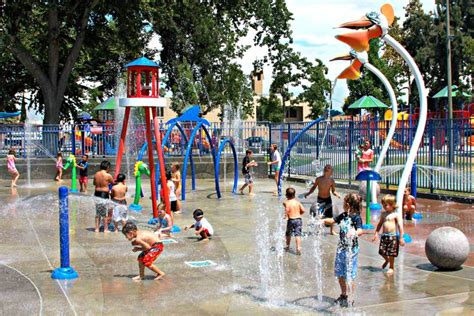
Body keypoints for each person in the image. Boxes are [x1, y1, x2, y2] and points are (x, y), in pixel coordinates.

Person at [320, 193, 364, 307]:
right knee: (340, 273)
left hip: (351, 250)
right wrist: (321, 221)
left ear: (348, 205)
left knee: (349, 275)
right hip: (341, 249)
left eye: (344, 203)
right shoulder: (344, 215)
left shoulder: (356, 217)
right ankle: (343, 295)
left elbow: (360, 230)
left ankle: (350, 297)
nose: (342, 205)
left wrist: (354, 232)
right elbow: (333, 220)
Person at [373, 194, 405, 275]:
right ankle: (386, 260)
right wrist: (376, 233)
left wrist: (401, 238)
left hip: (393, 236)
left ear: (392, 205)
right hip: (384, 236)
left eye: (386, 205)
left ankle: (391, 267)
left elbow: (400, 227)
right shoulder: (383, 214)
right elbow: (380, 224)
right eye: (383, 204)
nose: (384, 206)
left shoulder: (396, 215)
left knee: (391, 253)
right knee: (381, 251)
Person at [304, 164, 341, 235]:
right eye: (330, 172)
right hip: (320, 199)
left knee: (330, 215)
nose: (331, 173)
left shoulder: (331, 181)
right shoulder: (319, 179)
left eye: (331, 172)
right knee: (319, 214)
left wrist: (337, 194)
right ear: (325, 171)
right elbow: (314, 187)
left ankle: (332, 230)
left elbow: (333, 191)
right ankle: (319, 230)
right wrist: (308, 193)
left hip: (328, 199)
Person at [93, 160, 114, 233]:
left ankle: (96, 228)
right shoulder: (108, 175)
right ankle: (105, 229)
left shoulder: (96, 174)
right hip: (104, 193)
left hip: (96, 193)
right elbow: (113, 183)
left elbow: (94, 183)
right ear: (107, 167)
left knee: (98, 212)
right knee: (104, 213)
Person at [283, 187, 305, 255]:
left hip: (291, 220)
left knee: (288, 234)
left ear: (286, 195)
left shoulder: (286, 202)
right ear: (294, 195)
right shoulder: (297, 202)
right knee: (297, 234)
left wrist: (285, 216)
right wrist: (299, 214)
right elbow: (303, 210)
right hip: (298, 220)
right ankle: (298, 248)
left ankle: (287, 246)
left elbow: (287, 209)